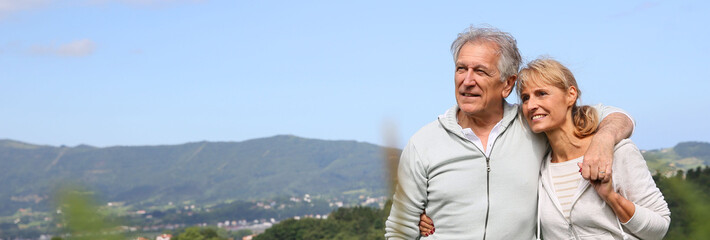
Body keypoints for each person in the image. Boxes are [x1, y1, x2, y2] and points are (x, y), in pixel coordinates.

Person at [384, 25, 634, 239]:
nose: (467, 80)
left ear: (507, 84)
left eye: (480, 71)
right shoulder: (423, 143)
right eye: (461, 69)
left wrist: (603, 140)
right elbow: (400, 229)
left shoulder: (535, 124)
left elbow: (618, 117)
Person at [418, 58, 670, 239]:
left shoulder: (619, 152)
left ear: (571, 95)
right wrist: (437, 212)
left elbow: (659, 227)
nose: (531, 105)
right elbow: (496, 201)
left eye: (541, 94)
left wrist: (612, 198)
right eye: (525, 98)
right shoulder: (539, 165)